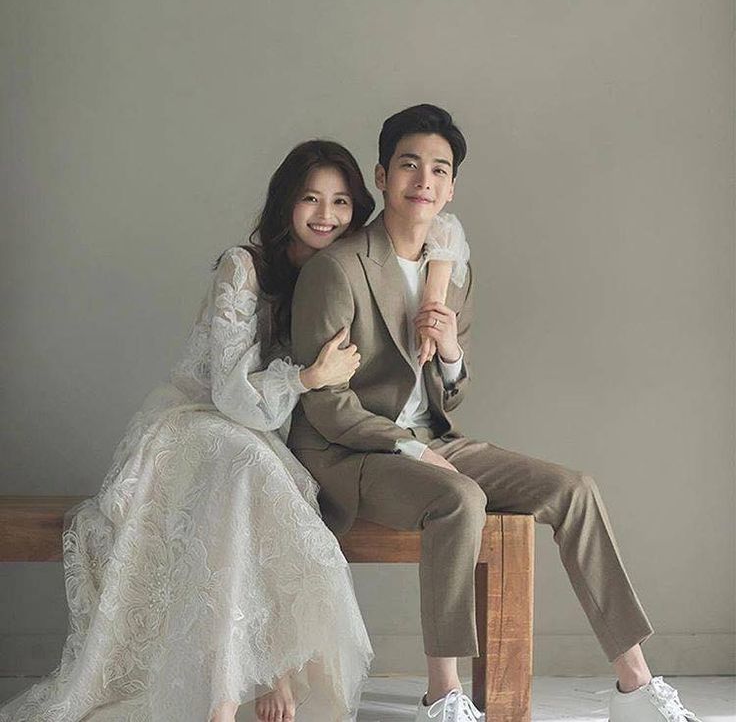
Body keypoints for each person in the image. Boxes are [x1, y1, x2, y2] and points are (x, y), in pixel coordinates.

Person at [0, 138, 472, 722]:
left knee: (270, 481)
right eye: (311, 199)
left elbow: (440, 232)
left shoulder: (341, 271)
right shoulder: (243, 267)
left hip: (269, 436)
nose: (326, 215)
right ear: (285, 204)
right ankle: (229, 699)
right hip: (202, 424)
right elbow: (228, 390)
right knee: (246, 469)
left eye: (342, 202)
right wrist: (307, 376)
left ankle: (271, 670)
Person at [287, 105, 704, 722]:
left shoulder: (452, 269)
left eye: (439, 169)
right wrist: (405, 448)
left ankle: (634, 684)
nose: (422, 180)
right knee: (458, 498)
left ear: (451, 187)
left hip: (434, 440)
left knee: (575, 489)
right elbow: (323, 405)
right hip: (351, 452)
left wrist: (452, 354)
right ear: (380, 176)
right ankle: (444, 693)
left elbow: (448, 396)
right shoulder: (336, 269)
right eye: (408, 164)